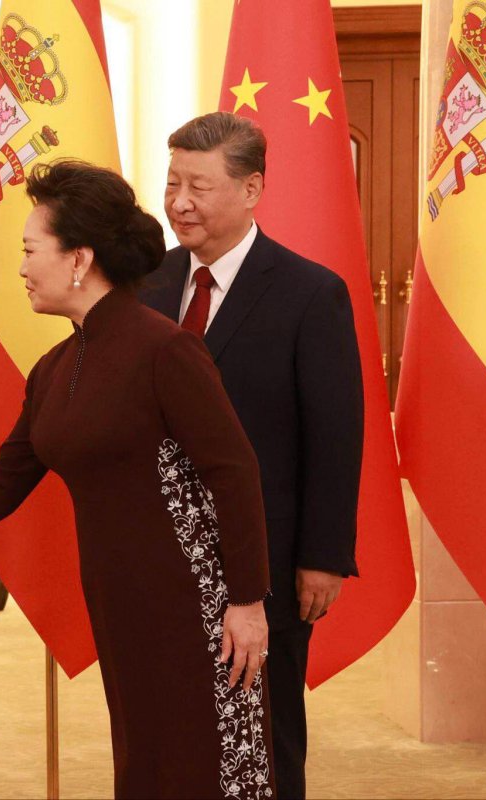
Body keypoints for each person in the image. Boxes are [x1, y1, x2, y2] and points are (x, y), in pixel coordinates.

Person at [0, 159, 275, 799]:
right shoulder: (56, 365)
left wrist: (246, 602)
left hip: (195, 600)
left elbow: (234, 473)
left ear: (78, 258)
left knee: (199, 766)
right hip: (119, 595)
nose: (19, 268)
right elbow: (5, 480)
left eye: (28, 250)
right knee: (145, 761)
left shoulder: (165, 350)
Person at [139, 112, 364, 800]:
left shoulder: (308, 292)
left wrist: (323, 556)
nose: (179, 201)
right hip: (160, 555)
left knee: (262, 737)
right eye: (172, 182)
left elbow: (335, 434)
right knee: (172, 732)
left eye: (198, 186)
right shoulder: (147, 282)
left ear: (251, 189)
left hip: (264, 557)